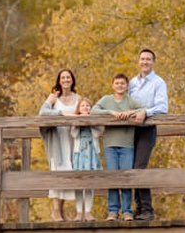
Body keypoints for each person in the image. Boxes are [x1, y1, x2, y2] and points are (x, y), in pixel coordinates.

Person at [37, 69, 89, 221]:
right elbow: (42, 113)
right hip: (58, 139)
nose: (66, 80)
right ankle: (55, 211)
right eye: (63, 78)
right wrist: (61, 114)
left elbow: (84, 113)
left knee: (69, 171)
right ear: (59, 81)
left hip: (73, 138)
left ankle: (61, 210)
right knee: (58, 170)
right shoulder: (54, 97)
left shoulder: (78, 98)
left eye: (68, 77)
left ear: (72, 80)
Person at [93, 74, 145, 221]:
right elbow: (93, 110)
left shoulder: (130, 100)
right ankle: (113, 211)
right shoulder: (106, 100)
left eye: (122, 83)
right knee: (113, 177)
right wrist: (111, 112)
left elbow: (143, 108)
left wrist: (131, 112)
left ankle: (127, 211)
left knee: (126, 178)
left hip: (127, 145)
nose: (120, 85)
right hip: (110, 145)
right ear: (112, 85)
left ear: (127, 86)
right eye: (117, 83)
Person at [125, 48, 168, 221]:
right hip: (130, 129)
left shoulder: (158, 83)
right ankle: (138, 209)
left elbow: (162, 107)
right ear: (138, 61)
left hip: (147, 128)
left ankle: (148, 209)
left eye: (148, 59)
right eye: (142, 59)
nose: (145, 62)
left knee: (139, 168)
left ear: (153, 62)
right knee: (130, 167)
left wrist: (145, 111)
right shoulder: (132, 83)